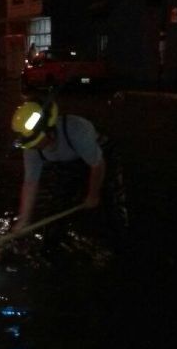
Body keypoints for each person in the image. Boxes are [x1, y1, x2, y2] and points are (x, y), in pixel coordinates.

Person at [10, 98, 128, 243]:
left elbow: (98, 165)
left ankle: (121, 239)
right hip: (68, 162)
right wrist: (24, 219)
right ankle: (53, 244)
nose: (35, 148)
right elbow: (30, 182)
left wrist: (93, 194)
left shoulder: (77, 130)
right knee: (58, 205)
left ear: (50, 132)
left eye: (38, 143)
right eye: (33, 145)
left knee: (112, 201)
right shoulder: (31, 148)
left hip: (100, 156)